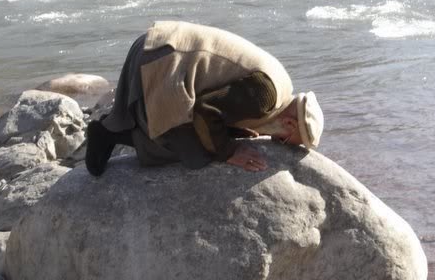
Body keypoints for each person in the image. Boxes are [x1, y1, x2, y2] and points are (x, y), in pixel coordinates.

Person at [86, 20, 324, 176]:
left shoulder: (280, 87)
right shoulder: (266, 97)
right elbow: (206, 109)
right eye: (281, 139)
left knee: (202, 136)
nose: (273, 138)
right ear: (290, 124)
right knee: (194, 153)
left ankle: (112, 127)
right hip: (163, 56)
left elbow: (221, 95)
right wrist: (229, 151)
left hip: (159, 44)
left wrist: (234, 130)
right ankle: (106, 134)